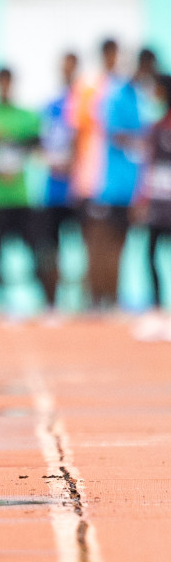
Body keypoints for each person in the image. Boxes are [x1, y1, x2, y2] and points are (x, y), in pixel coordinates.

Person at [0, 67, 46, 315]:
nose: (4, 87)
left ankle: (46, 304)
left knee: (38, 252)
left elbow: (38, 148)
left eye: (7, 82)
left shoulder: (27, 118)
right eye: (0, 82)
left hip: (20, 198)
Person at [73, 39, 140, 311]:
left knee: (118, 242)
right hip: (95, 181)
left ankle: (111, 297)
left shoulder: (128, 91)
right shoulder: (90, 88)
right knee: (96, 241)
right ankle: (95, 297)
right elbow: (78, 133)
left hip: (124, 184)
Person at [36, 52, 79, 315]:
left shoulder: (86, 105)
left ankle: (90, 301)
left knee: (89, 245)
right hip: (52, 192)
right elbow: (41, 145)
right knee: (50, 250)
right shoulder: (50, 106)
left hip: (79, 191)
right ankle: (52, 304)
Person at [135, 73, 171, 342]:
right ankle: (157, 310)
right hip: (158, 204)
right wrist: (141, 199)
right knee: (151, 253)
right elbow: (148, 167)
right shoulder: (156, 128)